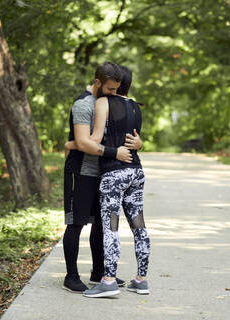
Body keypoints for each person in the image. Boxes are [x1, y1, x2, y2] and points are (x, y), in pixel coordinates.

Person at [62, 62, 142, 293]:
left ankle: (99, 273)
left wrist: (139, 143)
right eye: (110, 89)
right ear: (98, 83)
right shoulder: (84, 105)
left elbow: (121, 134)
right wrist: (112, 152)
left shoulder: (107, 103)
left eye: (117, 89)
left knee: (99, 224)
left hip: (104, 173)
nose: (114, 94)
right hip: (81, 172)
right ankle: (71, 276)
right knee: (76, 223)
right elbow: (83, 141)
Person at [84, 66, 150, 298]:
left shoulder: (104, 103)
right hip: (136, 172)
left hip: (113, 175)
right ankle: (141, 280)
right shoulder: (135, 106)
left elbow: (94, 139)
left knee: (110, 227)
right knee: (138, 225)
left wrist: (75, 142)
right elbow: (134, 140)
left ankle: (109, 280)